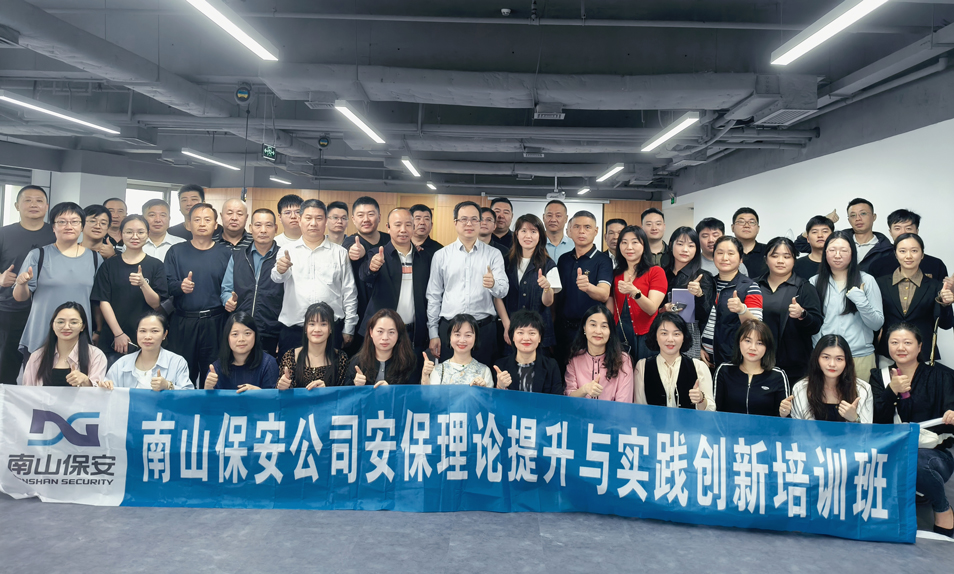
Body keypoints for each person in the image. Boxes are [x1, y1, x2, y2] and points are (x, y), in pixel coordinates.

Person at [868, 323, 954, 538]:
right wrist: (891, 391)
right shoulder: (879, 376)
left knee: (913, 460)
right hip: (892, 453)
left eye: (907, 342)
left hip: (933, 454)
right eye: (894, 342)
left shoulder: (941, 376)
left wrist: (951, 415)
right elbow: (877, 421)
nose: (901, 348)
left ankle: (942, 508)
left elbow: (949, 417)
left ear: (919, 347)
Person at [14, 202, 103, 360]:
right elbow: (20, 297)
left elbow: (98, 302)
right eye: (62, 221)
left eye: (74, 221)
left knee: (76, 375)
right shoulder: (38, 255)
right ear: (53, 227)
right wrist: (22, 284)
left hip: (78, 336)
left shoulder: (95, 259)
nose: (68, 226)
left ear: (82, 226)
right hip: (41, 334)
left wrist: (98, 330)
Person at [426, 201, 508, 365]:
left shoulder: (494, 254)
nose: (469, 224)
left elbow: (503, 291)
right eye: (463, 219)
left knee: (483, 378)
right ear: (455, 223)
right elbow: (434, 296)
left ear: (480, 222)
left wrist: (493, 284)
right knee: (449, 378)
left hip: (483, 330)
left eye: (474, 219)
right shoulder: (441, 255)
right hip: (450, 329)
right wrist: (433, 333)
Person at [272, 199, 357, 356]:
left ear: (326, 221)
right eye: (308, 218)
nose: (313, 223)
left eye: (319, 218)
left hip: (330, 329)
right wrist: (280, 270)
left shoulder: (340, 253)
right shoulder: (286, 250)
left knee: (331, 370)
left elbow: (349, 292)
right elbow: (277, 278)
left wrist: (349, 328)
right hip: (294, 329)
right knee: (290, 371)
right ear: (300, 220)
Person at [164, 203, 233, 386]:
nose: (202, 223)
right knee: (181, 375)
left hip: (216, 323)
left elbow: (231, 286)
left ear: (216, 225)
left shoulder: (226, 253)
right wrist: (180, 286)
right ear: (188, 225)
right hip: (183, 322)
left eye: (207, 219)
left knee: (214, 375)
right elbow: (166, 285)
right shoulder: (175, 251)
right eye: (197, 219)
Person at [360, 208, 432, 369]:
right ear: (388, 227)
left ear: (413, 228)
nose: (403, 230)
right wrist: (372, 268)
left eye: (408, 225)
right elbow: (364, 276)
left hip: (413, 333)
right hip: (382, 334)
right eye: (398, 225)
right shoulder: (377, 254)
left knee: (411, 378)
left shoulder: (423, 257)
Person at [92, 215, 167, 366]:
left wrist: (143, 284)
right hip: (113, 337)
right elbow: (103, 301)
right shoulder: (109, 265)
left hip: (146, 337)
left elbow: (156, 304)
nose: (135, 236)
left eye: (140, 232)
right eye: (129, 232)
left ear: (148, 234)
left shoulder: (156, 265)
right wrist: (118, 333)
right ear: (121, 234)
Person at [810, 230, 883, 382]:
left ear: (852, 253)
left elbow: (877, 324)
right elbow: (813, 322)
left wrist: (861, 301)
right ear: (825, 253)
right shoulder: (814, 282)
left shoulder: (867, 281)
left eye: (843, 250)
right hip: (825, 357)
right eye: (832, 250)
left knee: (861, 397)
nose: (837, 255)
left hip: (859, 356)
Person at [0, 185, 54, 385]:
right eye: (28, 200)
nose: (34, 204)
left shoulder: (56, 233)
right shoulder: (4, 234)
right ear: (17, 206)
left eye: (39, 201)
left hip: (46, 311)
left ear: (46, 206)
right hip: (10, 310)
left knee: (42, 370)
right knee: (6, 367)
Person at [875, 233, 952, 362]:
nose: (908, 256)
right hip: (889, 354)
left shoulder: (935, 286)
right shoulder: (880, 283)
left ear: (922, 255)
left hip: (923, 354)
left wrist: (945, 304)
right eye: (902, 251)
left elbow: (946, 325)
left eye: (914, 251)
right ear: (895, 254)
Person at [757, 237, 824, 382]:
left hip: (794, 366)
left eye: (787, 256)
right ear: (766, 259)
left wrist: (803, 314)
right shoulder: (754, 286)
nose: (780, 261)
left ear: (794, 260)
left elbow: (816, 325)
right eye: (775, 256)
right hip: (757, 360)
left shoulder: (804, 288)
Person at [220, 208, 283, 357]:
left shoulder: (283, 257)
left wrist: (283, 334)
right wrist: (227, 300)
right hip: (241, 330)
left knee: (269, 369)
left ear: (275, 228)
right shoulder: (238, 256)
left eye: (268, 225)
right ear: (250, 228)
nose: (263, 230)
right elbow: (226, 289)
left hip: (272, 329)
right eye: (258, 225)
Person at [494, 214, 561, 352]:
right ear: (516, 234)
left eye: (533, 231)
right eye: (523, 231)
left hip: (538, 333)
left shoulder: (549, 264)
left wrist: (547, 288)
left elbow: (548, 302)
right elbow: (497, 296)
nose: (528, 236)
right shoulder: (505, 262)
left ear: (540, 236)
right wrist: (507, 325)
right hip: (512, 330)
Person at [554, 210, 613, 367]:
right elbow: (557, 296)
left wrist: (588, 287)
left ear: (596, 231)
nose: (581, 231)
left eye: (587, 227)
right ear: (569, 230)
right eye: (577, 227)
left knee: (586, 373)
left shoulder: (603, 260)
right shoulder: (563, 260)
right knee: (561, 371)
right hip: (562, 329)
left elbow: (604, 294)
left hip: (589, 331)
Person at [700, 236, 763, 367]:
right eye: (720, 253)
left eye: (730, 253)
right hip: (704, 358)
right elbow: (699, 320)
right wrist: (699, 347)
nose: (725, 258)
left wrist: (742, 310)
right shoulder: (708, 284)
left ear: (740, 259)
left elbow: (757, 326)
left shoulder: (750, 287)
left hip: (733, 360)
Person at [782, 334, 872, 423]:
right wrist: (784, 415)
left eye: (839, 359)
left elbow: (868, 431)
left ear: (847, 362)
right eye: (826, 357)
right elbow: (797, 429)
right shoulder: (801, 388)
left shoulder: (863, 389)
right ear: (817, 359)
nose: (832, 364)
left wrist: (855, 418)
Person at [634, 312, 714, 410]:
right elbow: (639, 408)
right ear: (655, 336)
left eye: (676, 334)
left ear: (683, 337)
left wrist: (701, 400)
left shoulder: (699, 367)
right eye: (664, 333)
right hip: (654, 420)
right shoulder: (642, 366)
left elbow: (710, 411)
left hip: (689, 420)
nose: (670, 339)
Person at [609, 225, 666, 362]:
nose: (629, 247)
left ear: (644, 245)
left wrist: (634, 292)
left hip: (646, 336)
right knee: (621, 372)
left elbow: (652, 309)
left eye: (635, 242)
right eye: (624, 242)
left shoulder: (655, 272)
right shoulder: (615, 274)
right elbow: (610, 309)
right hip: (619, 334)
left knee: (644, 372)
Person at [713, 320, 790, 416]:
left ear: (767, 347)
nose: (753, 348)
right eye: (748, 341)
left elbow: (783, 417)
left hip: (765, 426)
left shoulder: (778, 376)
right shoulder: (724, 371)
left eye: (759, 343)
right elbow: (715, 411)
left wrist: (784, 413)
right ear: (739, 342)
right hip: (729, 426)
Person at [21, 302, 107, 387]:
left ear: (83, 326)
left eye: (73, 322)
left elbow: (97, 392)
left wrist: (86, 381)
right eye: (60, 322)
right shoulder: (37, 357)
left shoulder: (96, 355)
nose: (66, 327)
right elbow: (27, 392)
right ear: (52, 325)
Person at [103, 312, 193, 390]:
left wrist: (168, 386)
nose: (147, 337)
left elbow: (189, 395)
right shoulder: (122, 363)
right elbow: (108, 394)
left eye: (154, 331)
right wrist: (105, 387)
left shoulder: (177, 362)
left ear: (164, 334)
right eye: (142, 331)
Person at [661, 226, 714, 359]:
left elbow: (705, 317)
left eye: (691, 246)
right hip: (662, 335)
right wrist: (663, 309)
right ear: (671, 245)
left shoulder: (703, 277)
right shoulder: (661, 274)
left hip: (689, 338)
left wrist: (699, 294)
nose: (685, 249)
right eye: (680, 244)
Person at [342, 197, 390, 343]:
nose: (366, 219)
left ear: (379, 217)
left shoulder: (390, 240)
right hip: (360, 313)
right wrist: (357, 251)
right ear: (353, 219)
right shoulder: (350, 241)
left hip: (387, 311)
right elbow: (353, 248)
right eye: (360, 215)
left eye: (371, 214)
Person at [564, 305, 633, 402]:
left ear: (610, 331)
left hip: (612, 412)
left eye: (604, 326)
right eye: (593, 325)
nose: (598, 331)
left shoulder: (623, 360)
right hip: (580, 412)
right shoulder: (575, 359)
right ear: (584, 328)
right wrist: (584, 390)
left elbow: (624, 403)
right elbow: (568, 398)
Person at [276, 303, 349, 389]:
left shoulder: (340, 358)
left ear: (331, 329)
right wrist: (282, 387)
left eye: (323, 324)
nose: (317, 329)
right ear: (305, 328)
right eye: (312, 324)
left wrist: (327, 391)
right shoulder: (290, 356)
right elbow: (281, 393)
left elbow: (344, 394)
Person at [491, 309, 563, 394]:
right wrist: (500, 387)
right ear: (512, 337)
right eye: (520, 333)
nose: (526, 338)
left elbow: (557, 399)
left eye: (532, 333)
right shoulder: (501, 366)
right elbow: (495, 400)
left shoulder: (551, 366)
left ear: (540, 338)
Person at [204, 312, 278, 392]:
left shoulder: (268, 364)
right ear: (227, 337)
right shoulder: (217, 368)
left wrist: (259, 392)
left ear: (255, 335)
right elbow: (210, 399)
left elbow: (274, 398)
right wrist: (208, 388)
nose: (241, 339)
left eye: (247, 333)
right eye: (235, 334)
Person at [867, 209, 949, 280]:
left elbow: (943, 291)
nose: (903, 232)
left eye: (908, 228)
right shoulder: (878, 265)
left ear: (917, 231)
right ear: (890, 232)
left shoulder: (936, 264)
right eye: (897, 228)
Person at [345, 309, 417, 386]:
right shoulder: (357, 362)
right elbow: (346, 391)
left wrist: (391, 390)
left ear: (398, 334)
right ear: (371, 332)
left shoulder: (409, 362)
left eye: (391, 332)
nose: (385, 338)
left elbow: (412, 392)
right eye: (380, 331)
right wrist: (356, 385)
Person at [421, 313, 492, 386]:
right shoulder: (439, 370)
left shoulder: (484, 371)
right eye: (457, 335)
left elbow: (489, 393)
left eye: (468, 335)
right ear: (450, 337)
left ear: (475, 338)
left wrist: (483, 389)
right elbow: (430, 393)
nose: (462, 340)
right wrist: (425, 376)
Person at [844, 198, 892, 273]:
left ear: (874, 217)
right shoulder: (839, 242)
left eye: (863, 213)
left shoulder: (887, 250)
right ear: (849, 220)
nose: (858, 218)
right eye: (853, 215)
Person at [792, 215, 834, 280]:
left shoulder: (839, 262)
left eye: (825, 231)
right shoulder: (796, 265)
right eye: (814, 232)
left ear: (833, 236)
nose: (820, 235)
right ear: (808, 239)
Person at [731, 207, 767, 279]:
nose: (746, 226)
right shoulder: (725, 252)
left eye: (752, 222)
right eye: (741, 222)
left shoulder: (769, 251)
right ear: (732, 228)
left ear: (758, 229)